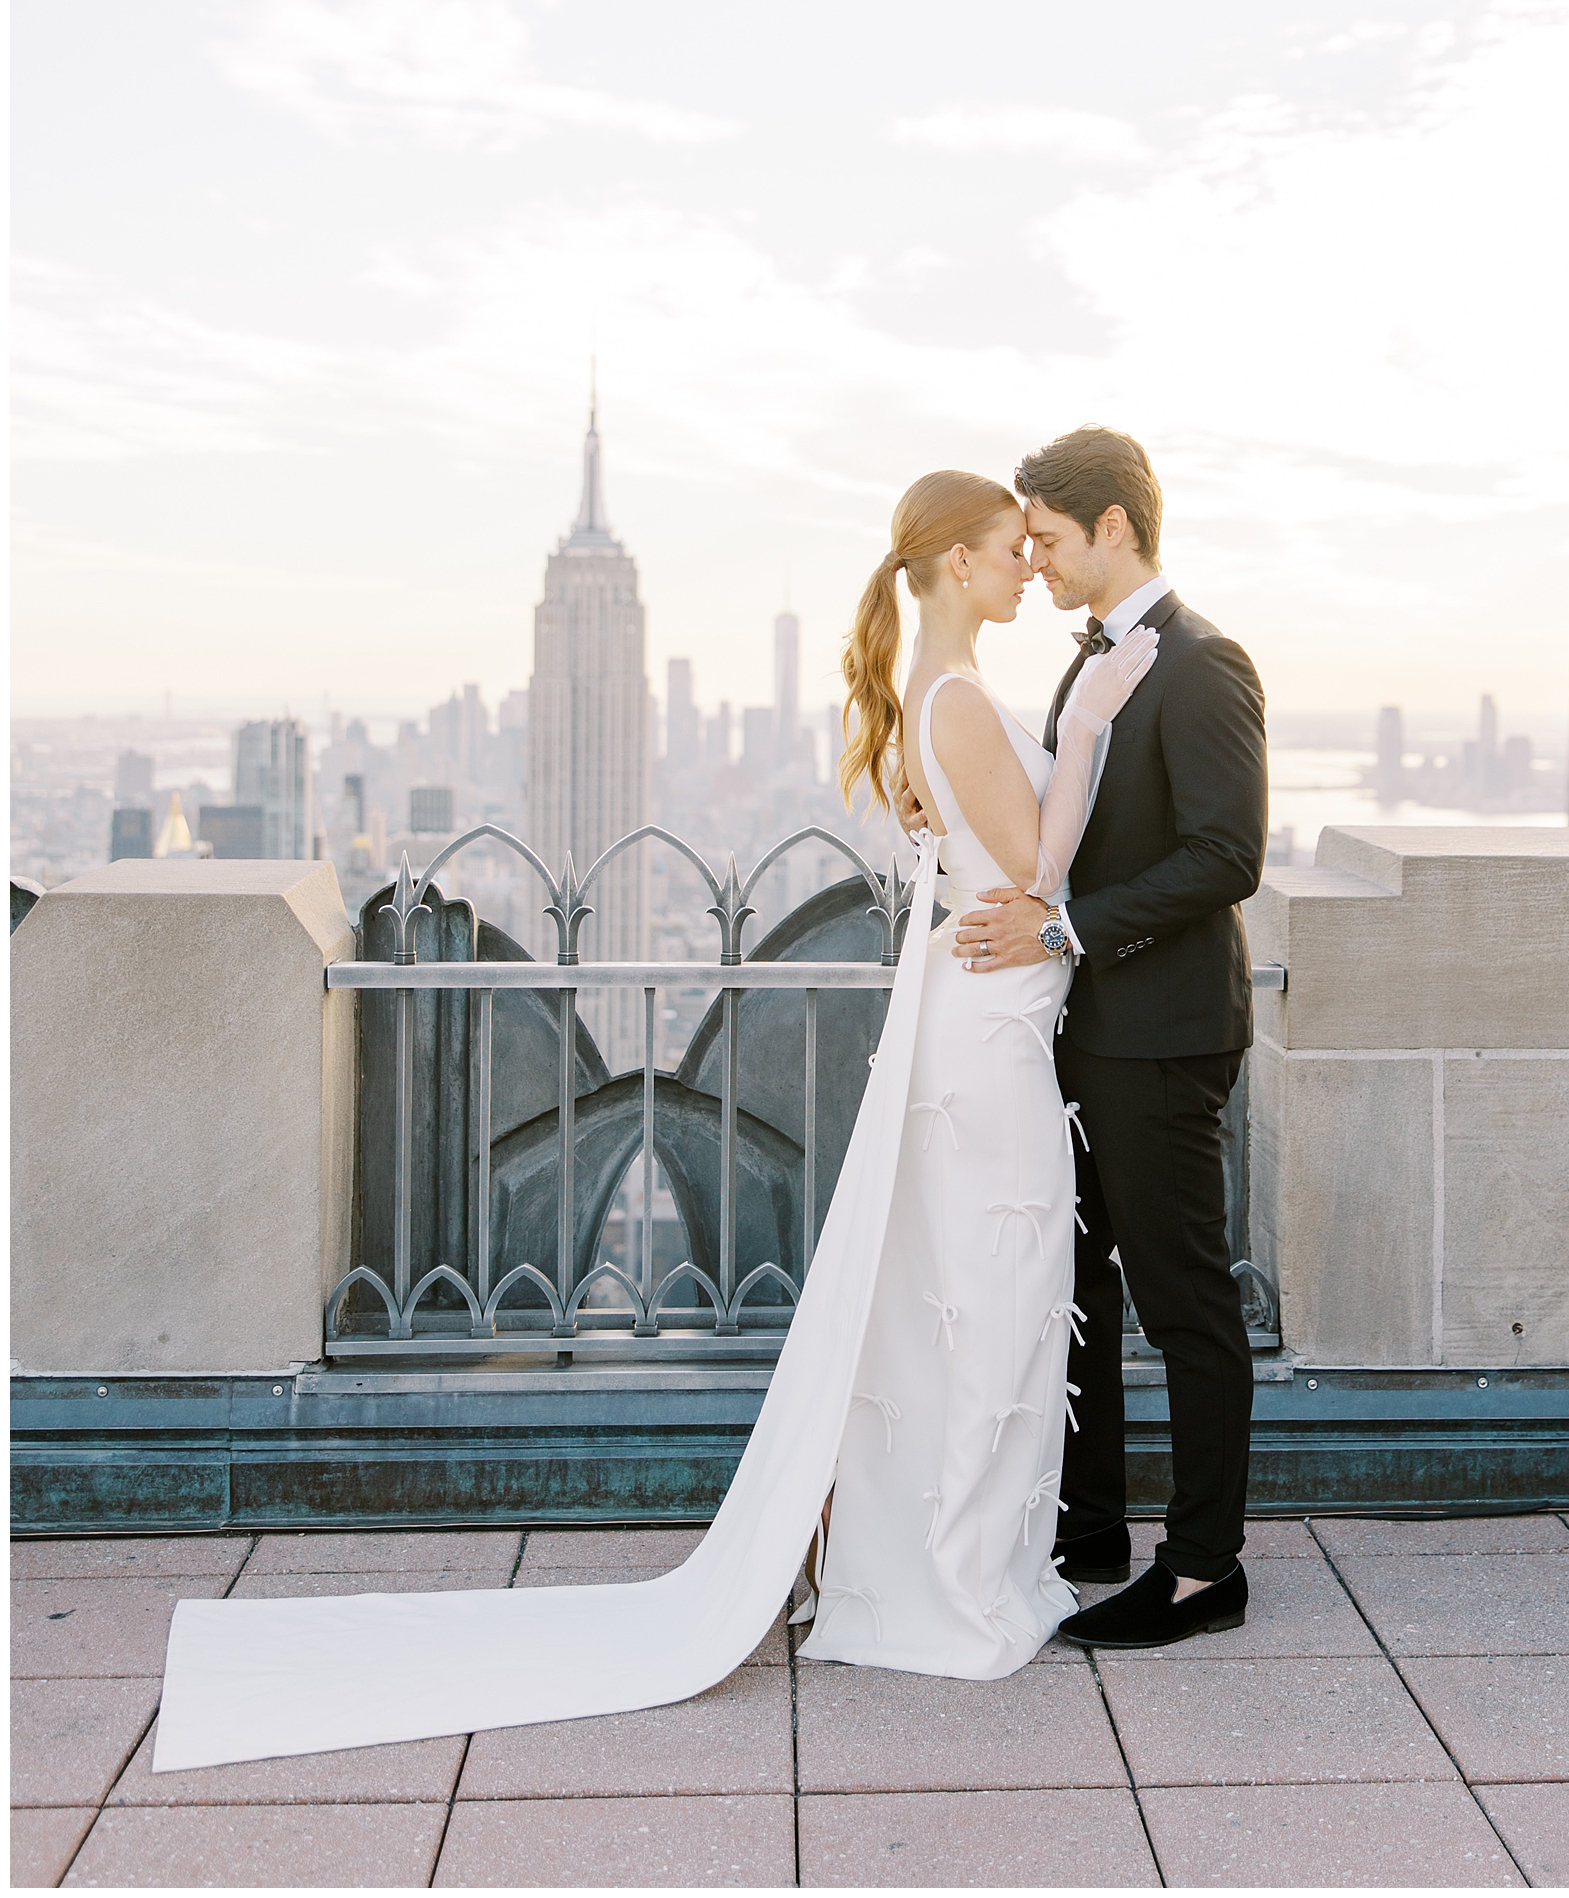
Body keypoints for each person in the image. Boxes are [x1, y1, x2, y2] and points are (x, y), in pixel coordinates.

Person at [151, 470, 1152, 1772]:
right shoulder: (957, 700)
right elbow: (1035, 872)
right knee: (985, 1288)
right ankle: (954, 1585)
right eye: (1008, 550)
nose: (1029, 567)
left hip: (994, 1027)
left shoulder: (941, 693)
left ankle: (956, 1565)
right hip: (989, 1040)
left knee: (978, 1290)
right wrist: (1088, 733)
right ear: (954, 564)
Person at [908, 426, 1268, 1651]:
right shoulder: (1090, 666)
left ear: (1113, 527)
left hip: (1159, 1035)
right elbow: (1053, 811)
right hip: (1073, 1036)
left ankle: (1205, 1568)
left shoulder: (1206, 664)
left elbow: (1227, 857)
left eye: (1052, 541)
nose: (1042, 567)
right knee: (1078, 1295)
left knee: (1183, 1301)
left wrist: (1067, 934)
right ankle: (1090, 1527)